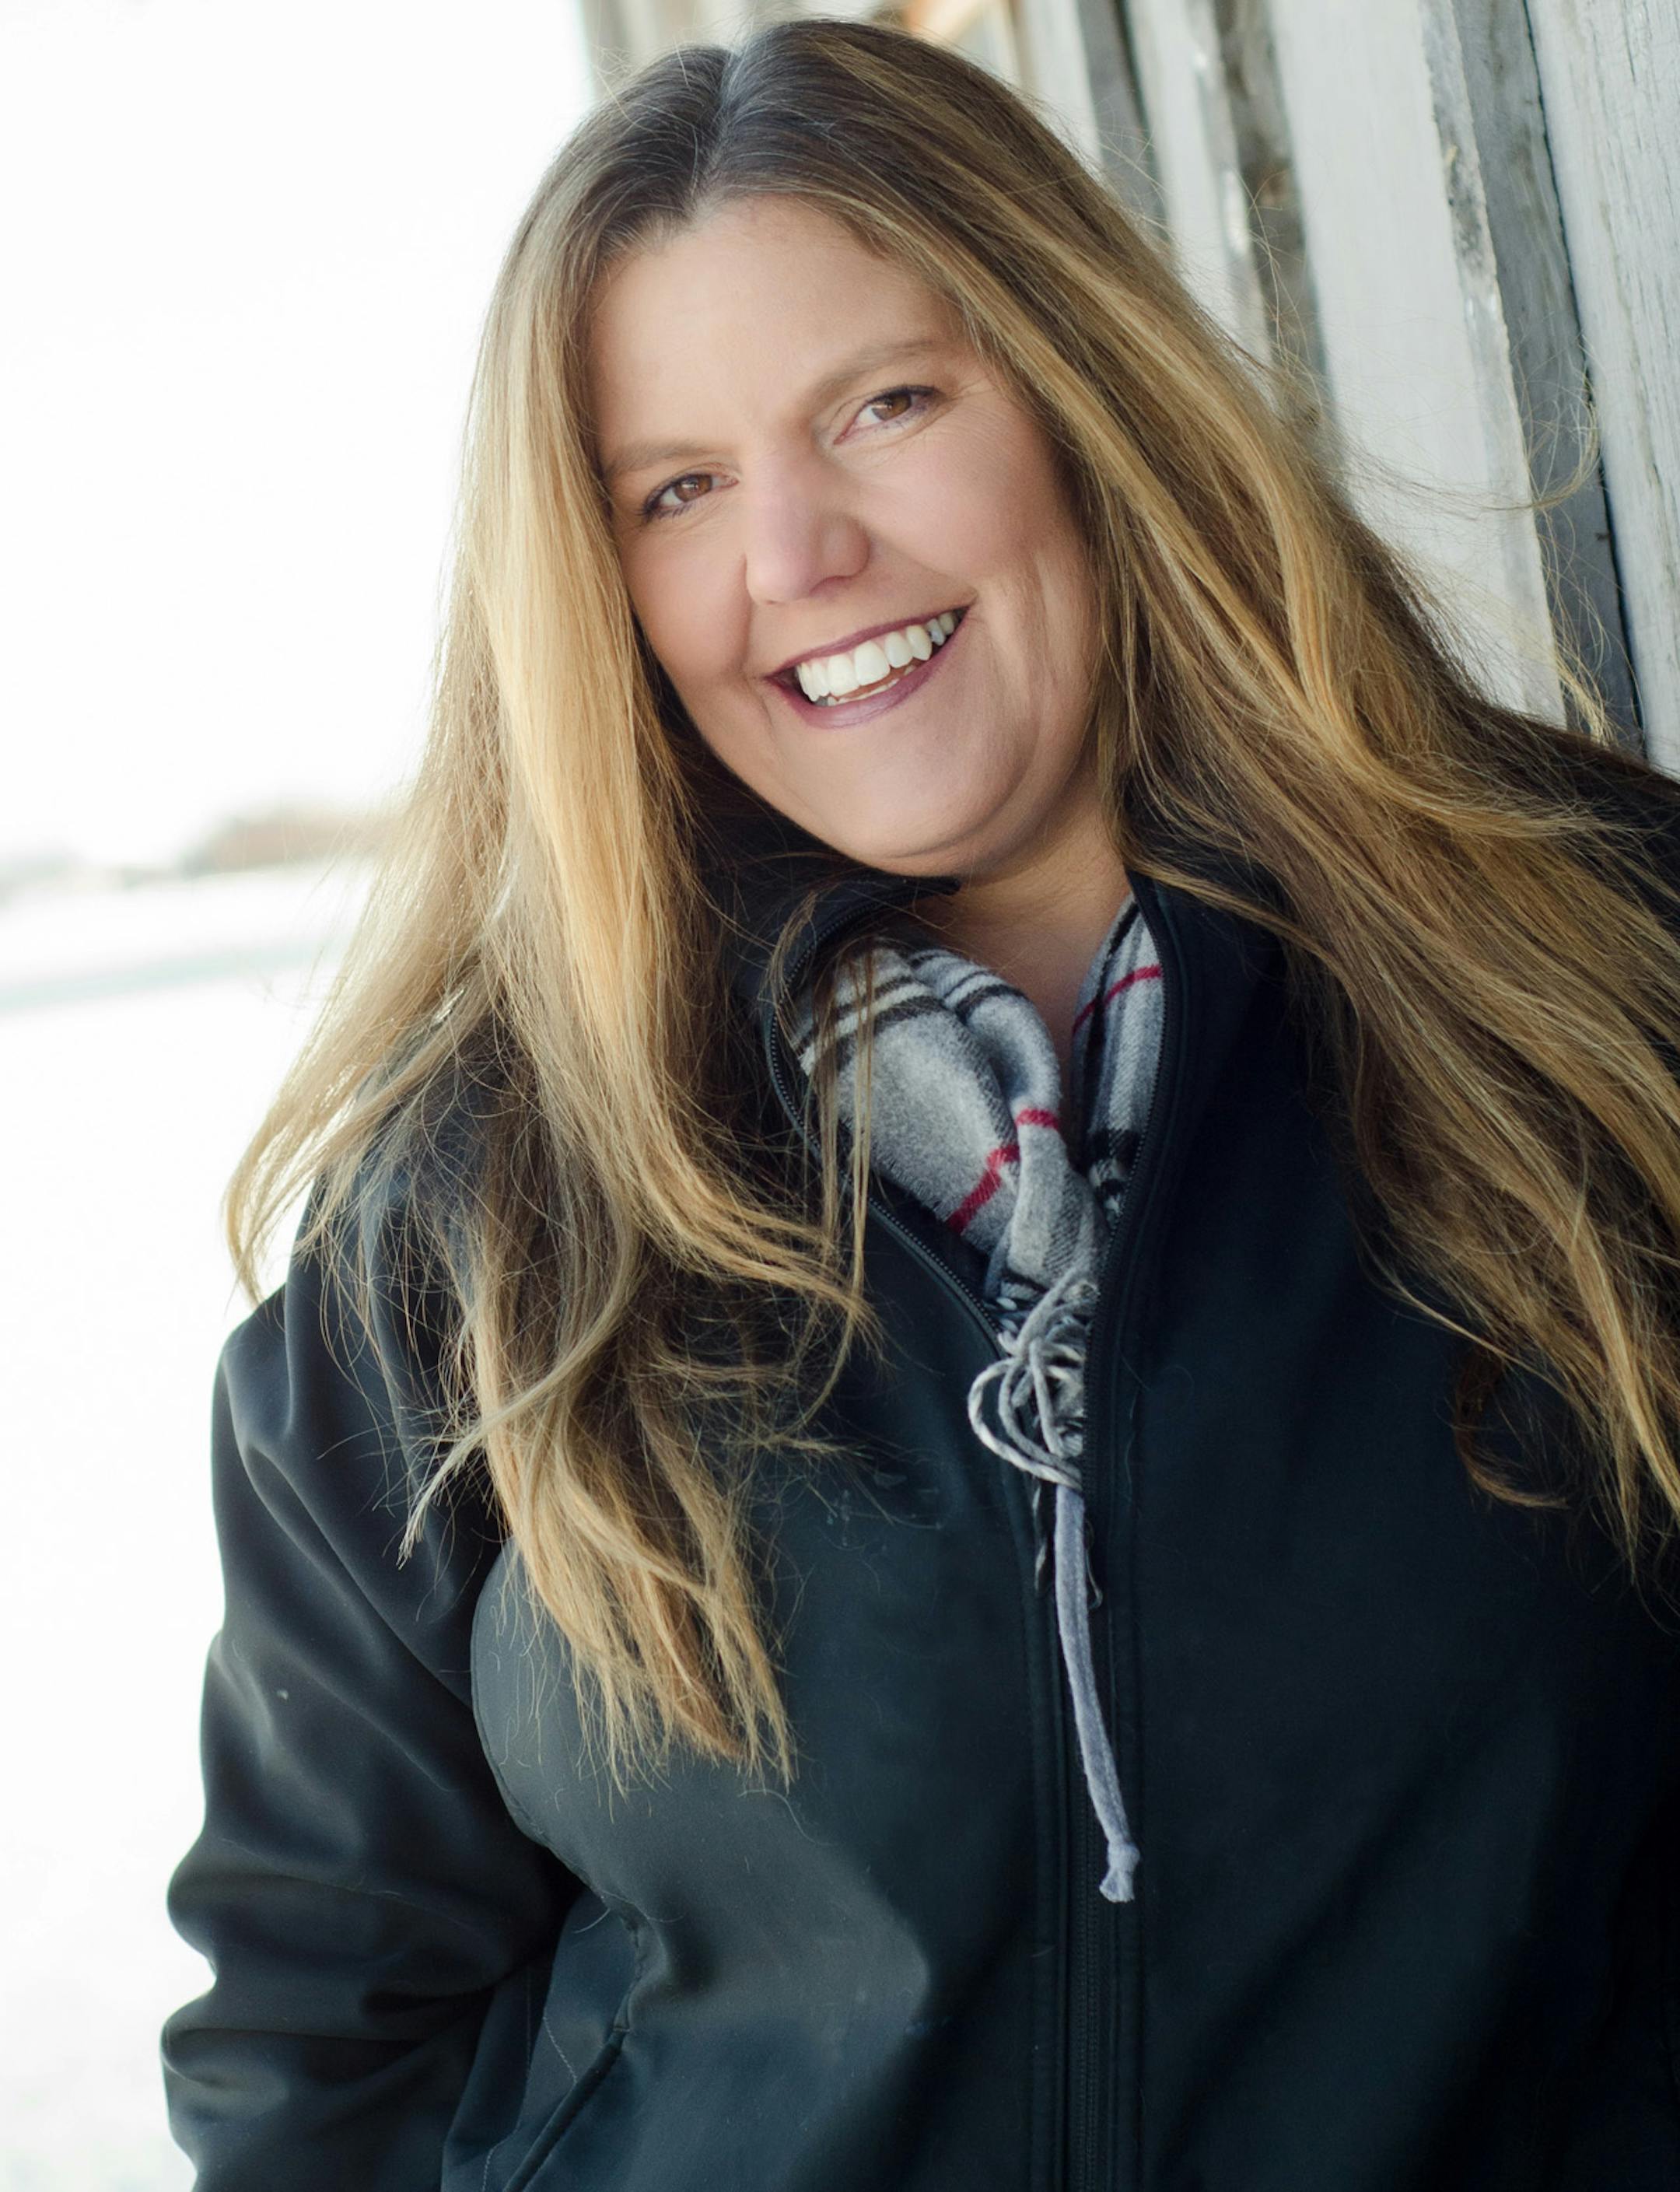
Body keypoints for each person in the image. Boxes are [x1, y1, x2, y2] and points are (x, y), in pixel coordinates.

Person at [162, 16, 1680, 2189]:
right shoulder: (474, 1237)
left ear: (1079, 394)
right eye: (674, 488)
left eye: (881, 406)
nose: (795, 552)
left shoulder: (1591, 969)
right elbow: (319, 2066)